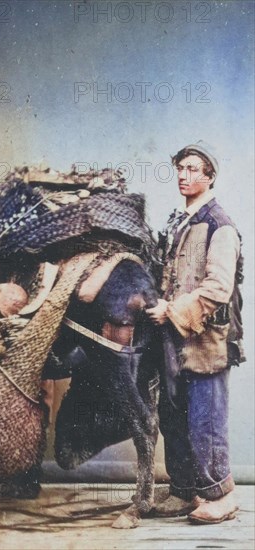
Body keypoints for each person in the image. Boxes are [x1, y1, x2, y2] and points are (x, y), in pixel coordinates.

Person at [146, 141, 244, 524]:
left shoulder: (220, 225)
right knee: (173, 417)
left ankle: (221, 495)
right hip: (172, 340)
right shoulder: (179, 221)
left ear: (209, 176)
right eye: (180, 169)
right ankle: (184, 491)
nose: (184, 176)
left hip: (206, 343)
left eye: (193, 169)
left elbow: (218, 289)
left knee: (206, 418)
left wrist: (170, 310)